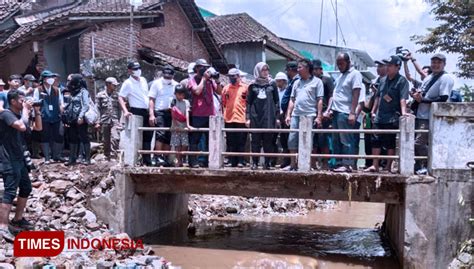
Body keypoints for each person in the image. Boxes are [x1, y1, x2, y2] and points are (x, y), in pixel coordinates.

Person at [0, 90, 42, 242]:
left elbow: (38, 128)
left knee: (26, 188)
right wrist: (25, 109)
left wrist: (36, 112)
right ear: (12, 101)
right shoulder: (6, 114)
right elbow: (22, 126)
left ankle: (18, 219)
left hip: (20, 159)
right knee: (10, 192)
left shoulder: (21, 116)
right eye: (21, 99)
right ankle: (3, 226)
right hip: (8, 159)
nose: (24, 101)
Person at [411, 53, 454, 174]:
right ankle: (420, 165)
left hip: (430, 117)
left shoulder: (446, 78)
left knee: (419, 143)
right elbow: (424, 92)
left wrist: (422, 100)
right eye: (433, 62)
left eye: (438, 62)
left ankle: (428, 164)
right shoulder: (429, 77)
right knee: (415, 143)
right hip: (420, 114)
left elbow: (443, 99)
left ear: (444, 64)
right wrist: (416, 95)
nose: (435, 65)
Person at [364, 56, 409, 173]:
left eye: (390, 65)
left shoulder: (402, 81)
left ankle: (388, 166)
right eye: (387, 65)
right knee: (375, 140)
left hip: (392, 116)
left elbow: (403, 98)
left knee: (390, 142)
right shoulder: (382, 80)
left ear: (397, 67)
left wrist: (404, 113)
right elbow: (378, 97)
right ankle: (375, 165)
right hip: (380, 115)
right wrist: (373, 112)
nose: (387, 68)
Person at [285, 59, 324, 171]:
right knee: (292, 138)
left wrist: (319, 116)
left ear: (307, 68)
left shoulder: (317, 82)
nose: (297, 70)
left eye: (300, 67)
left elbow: (319, 100)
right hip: (296, 114)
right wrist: (288, 114)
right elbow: (292, 100)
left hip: (309, 114)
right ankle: (293, 164)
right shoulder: (296, 82)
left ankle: (306, 164)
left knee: (307, 140)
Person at [329, 52, 363, 172]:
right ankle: (339, 163)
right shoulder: (340, 76)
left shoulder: (354, 74)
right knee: (336, 139)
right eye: (338, 64)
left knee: (346, 139)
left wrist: (352, 112)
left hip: (345, 111)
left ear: (348, 62)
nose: (339, 66)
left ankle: (347, 164)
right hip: (337, 111)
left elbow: (356, 93)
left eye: (341, 64)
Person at [187, 59, 222, 168]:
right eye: (202, 67)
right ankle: (193, 161)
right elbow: (197, 91)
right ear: (197, 68)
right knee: (195, 140)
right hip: (197, 114)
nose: (205, 69)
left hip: (210, 114)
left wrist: (217, 81)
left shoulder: (210, 81)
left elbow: (220, 92)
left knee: (210, 140)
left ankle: (208, 161)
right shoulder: (193, 80)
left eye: (206, 67)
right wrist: (203, 79)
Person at [246, 62, 279, 170]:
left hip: (269, 116)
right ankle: (255, 162)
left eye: (267, 70)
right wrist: (248, 118)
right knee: (255, 141)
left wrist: (277, 117)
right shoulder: (252, 85)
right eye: (263, 70)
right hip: (256, 116)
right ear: (258, 71)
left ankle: (267, 163)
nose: (265, 72)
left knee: (268, 141)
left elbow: (276, 101)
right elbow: (248, 102)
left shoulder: (272, 84)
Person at [118, 61, 151, 166]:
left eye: (138, 68)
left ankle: (147, 160)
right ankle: (133, 160)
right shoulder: (127, 83)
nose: (138, 71)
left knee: (147, 135)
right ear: (129, 71)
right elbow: (121, 97)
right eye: (135, 69)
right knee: (134, 136)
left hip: (146, 110)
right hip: (136, 111)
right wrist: (126, 111)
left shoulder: (144, 80)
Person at [149, 65, 178, 166]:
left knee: (169, 135)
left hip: (171, 112)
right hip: (159, 111)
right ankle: (158, 156)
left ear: (173, 75)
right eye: (165, 76)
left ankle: (166, 157)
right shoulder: (156, 83)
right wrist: (151, 114)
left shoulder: (176, 85)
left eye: (169, 77)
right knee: (160, 133)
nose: (167, 78)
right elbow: (151, 99)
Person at [361, 60, 387, 168]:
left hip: (382, 116)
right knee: (368, 139)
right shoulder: (375, 81)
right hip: (369, 115)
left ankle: (382, 164)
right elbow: (369, 102)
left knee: (382, 140)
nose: (378, 69)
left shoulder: (388, 82)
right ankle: (369, 163)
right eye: (378, 66)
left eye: (381, 66)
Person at [34, 70, 64, 164]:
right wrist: (38, 114)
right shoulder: (38, 90)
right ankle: (47, 157)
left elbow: (60, 102)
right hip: (44, 116)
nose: (51, 79)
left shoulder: (57, 89)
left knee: (59, 135)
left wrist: (62, 110)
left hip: (56, 115)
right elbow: (35, 103)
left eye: (51, 77)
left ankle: (56, 156)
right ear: (43, 79)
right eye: (48, 77)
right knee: (45, 136)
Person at [222, 68, 249, 168]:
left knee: (241, 141)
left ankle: (241, 161)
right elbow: (223, 103)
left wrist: (248, 117)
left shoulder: (245, 88)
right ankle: (232, 161)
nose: (231, 78)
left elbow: (248, 103)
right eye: (230, 76)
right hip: (229, 118)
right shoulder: (226, 89)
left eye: (233, 76)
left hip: (241, 118)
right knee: (230, 141)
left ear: (238, 76)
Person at [62, 74, 90, 166]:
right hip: (72, 119)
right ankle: (72, 159)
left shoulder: (83, 91)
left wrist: (81, 116)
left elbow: (86, 105)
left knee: (83, 137)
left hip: (80, 119)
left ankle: (87, 159)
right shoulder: (73, 92)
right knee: (72, 138)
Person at [312, 59, 334, 170]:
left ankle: (325, 163)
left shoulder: (327, 80)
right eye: (313, 69)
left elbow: (331, 96)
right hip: (312, 113)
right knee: (313, 140)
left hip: (324, 114)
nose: (315, 71)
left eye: (316, 69)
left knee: (324, 139)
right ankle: (313, 163)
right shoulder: (310, 81)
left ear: (321, 69)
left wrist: (328, 111)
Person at [279, 62, 300, 169]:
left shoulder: (297, 81)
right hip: (286, 114)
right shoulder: (292, 82)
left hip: (291, 115)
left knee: (290, 138)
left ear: (291, 70)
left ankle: (291, 162)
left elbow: (293, 99)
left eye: (287, 70)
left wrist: (289, 114)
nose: (286, 72)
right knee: (285, 139)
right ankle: (288, 161)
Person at [95, 77, 121, 160]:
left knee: (115, 137)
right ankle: (107, 156)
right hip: (104, 119)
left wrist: (120, 121)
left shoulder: (117, 95)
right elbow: (97, 109)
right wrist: (97, 121)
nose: (115, 86)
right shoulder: (100, 95)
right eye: (114, 85)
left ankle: (114, 155)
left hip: (115, 119)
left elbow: (120, 109)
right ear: (108, 84)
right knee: (105, 139)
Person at [170, 84, 191, 167]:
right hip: (175, 127)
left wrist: (188, 125)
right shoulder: (173, 101)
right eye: (179, 94)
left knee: (185, 144)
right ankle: (178, 161)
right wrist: (175, 125)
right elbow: (173, 114)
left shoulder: (186, 102)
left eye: (182, 94)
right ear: (175, 94)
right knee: (177, 145)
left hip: (184, 126)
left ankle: (182, 159)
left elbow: (187, 113)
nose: (181, 96)